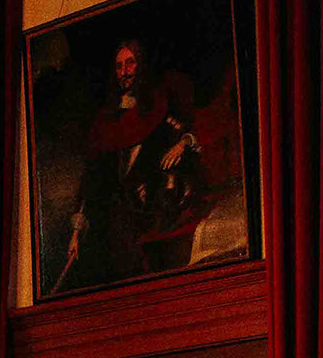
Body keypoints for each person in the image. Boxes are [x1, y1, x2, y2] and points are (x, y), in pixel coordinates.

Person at [53, 36, 219, 293]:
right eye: (119, 66)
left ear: (140, 65)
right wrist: (76, 232)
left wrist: (183, 143)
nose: (124, 72)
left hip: (154, 218)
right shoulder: (106, 121)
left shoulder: (157, 108)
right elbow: (91, 180)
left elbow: (186, 134)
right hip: (117, 226)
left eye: (130, 63)